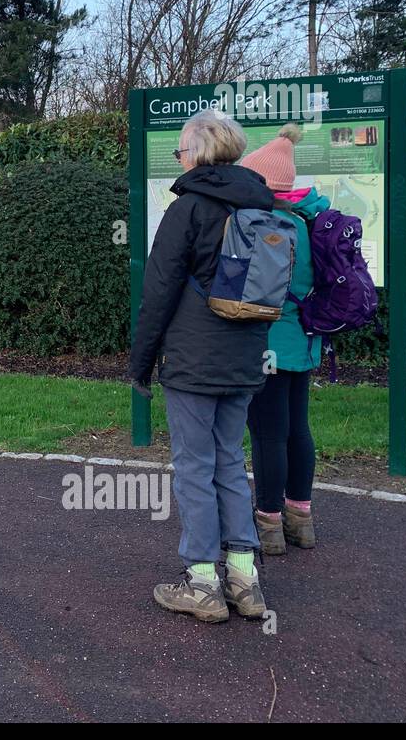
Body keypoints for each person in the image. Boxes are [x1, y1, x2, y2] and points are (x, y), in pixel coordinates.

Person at [129, 109, 274, 624]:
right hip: (244, 356)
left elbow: (159, 290)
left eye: (180, 152)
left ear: (198, 152)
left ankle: (202, 583)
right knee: (230, 461)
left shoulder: (188, 208)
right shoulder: (265, 203)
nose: (179, 159)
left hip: (193, 358)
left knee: (194, 466)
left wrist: (141, 364)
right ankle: (245, 580)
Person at [239, 124, 328, 554]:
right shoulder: (309, 223)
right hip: (305, 342)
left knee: (268, 433)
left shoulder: (265, 226)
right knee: (298, 429)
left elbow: (253, 292)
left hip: (268, 341)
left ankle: (269, 524)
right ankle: (301, 518)